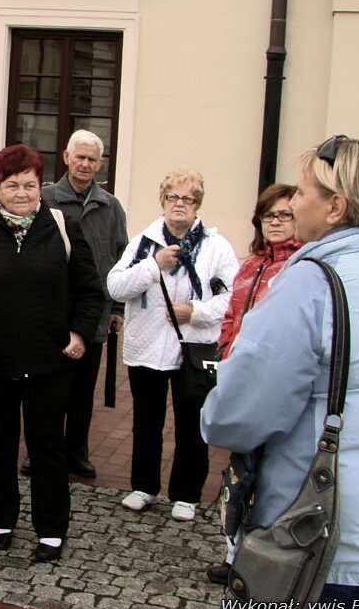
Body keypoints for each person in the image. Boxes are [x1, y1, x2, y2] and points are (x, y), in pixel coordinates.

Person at [202, 135, 359, 609]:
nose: (292, 201)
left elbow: (238, 414)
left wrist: (217, 402)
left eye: (304, 191)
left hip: (326, 541)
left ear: (335, 207)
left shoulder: (312, 281)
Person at [0, 144, 105, 563]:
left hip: (51, 361)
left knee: (48, 447)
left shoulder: (62, 225)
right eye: (12, 185)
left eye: (30, 184)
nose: (22, 192)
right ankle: (1, 519)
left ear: (40, 185)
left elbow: (90, 289)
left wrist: (80, 334)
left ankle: (50, 528)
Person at [107, 168, 237, 522]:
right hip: (147, 347)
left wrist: (193, 311)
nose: (179, 204)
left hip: (192, 348)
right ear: (163, 201)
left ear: (197, 205)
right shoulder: (144, 243)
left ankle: (186, 494)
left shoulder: (216, 247)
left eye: (188, 198)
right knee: (147, 422)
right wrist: (153, 266)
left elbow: (231, 301)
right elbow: (116, 287)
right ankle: (144, 486)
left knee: (190, 423)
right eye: (173, 197)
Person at [203, 183, 301, 585]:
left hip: (275, 385)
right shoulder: (251, 264)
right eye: (268, 216)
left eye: (284, 215)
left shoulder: (300, 267)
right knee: (240, 474)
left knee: (274, 476)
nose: (275, 222)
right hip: (240, 378)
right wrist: (227, 354)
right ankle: (235, 552)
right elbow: (231, 317)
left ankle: (270, 559)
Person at [32, 129, 129, 479]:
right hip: (51, 312)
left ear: (99, 163)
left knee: (83, 390)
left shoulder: (110, 206)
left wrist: (116, 308)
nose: (86, 164)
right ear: (66, 157)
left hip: (93, 313)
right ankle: (42, 450)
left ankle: (76, 451)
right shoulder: (44, 199)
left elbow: (121, 259)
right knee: (47, 388)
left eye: (92, 159)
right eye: (80, 157)